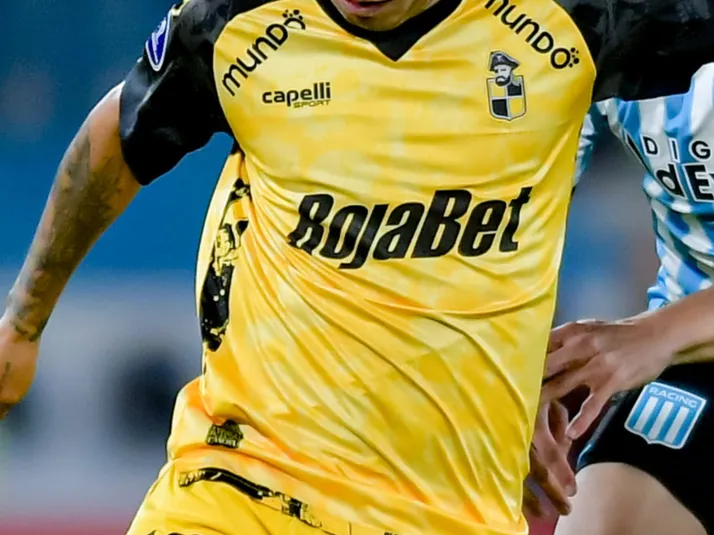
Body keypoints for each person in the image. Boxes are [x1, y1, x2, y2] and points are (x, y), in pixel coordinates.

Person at [3, 0, 714, 533]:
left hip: (450, 510)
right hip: (239, 483)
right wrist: (22, 322)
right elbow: (120, 135)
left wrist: (628, 342)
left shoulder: (575, 22)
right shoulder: (240, 24)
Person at [534, 63, 714, 535]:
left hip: (678, 335)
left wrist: (659, 333)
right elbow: (511, 230)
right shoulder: (592, 40)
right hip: (697, 355)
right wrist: (515, 377)